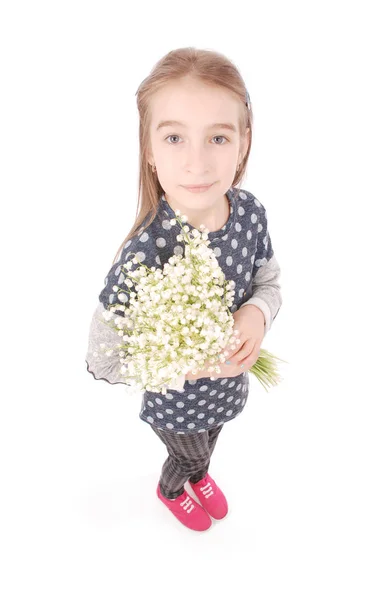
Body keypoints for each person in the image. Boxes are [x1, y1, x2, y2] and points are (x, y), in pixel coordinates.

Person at [85, 47, 283, 532]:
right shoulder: (146, 253)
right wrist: (190, 364)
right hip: (177, 404)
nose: (197, 163)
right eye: (174, 137)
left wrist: (255, 313)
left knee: (213, 437)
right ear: (149, 149)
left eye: (218, 137)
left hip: (228, 387)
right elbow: (102, 357)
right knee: (188, 448)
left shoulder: (250, 213)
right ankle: (175, 485)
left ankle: (201, 471)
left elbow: (268, 279)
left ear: (244, 142)